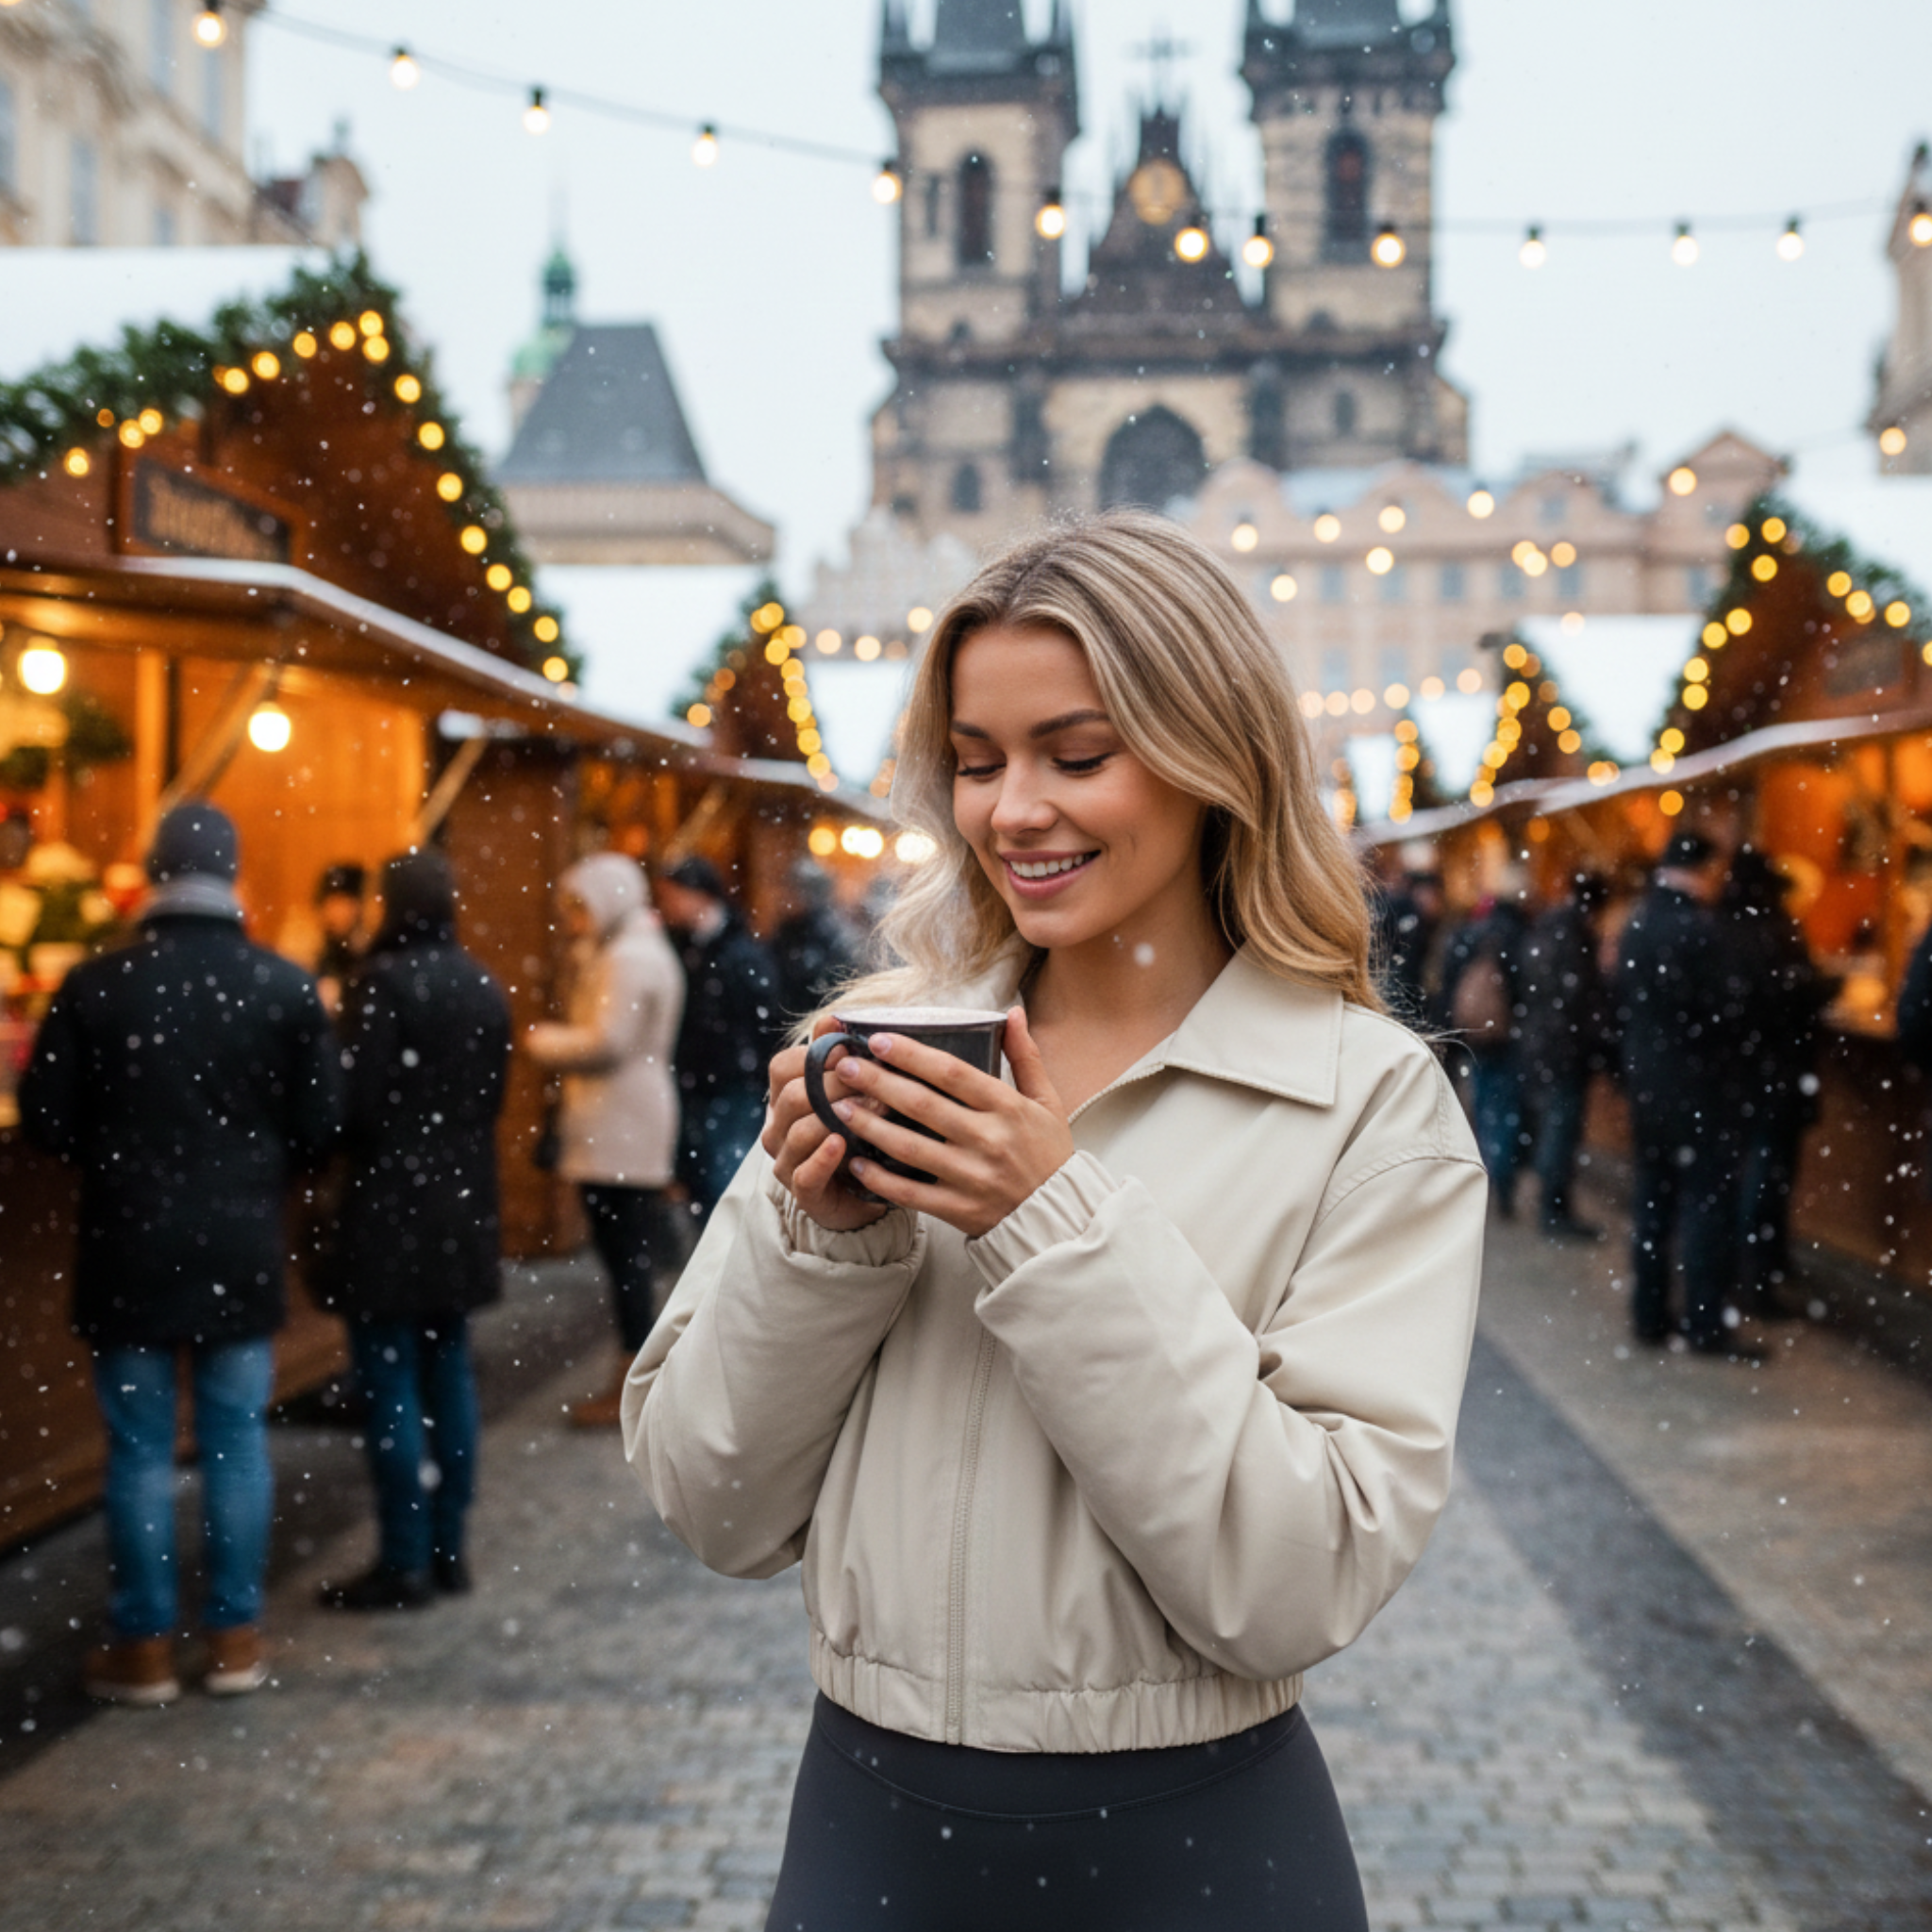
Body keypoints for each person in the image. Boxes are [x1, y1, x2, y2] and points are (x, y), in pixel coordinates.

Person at [624, 512, 1486, 1930]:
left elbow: (1298, 1576)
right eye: (975, 763)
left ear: (1218, 758)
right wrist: (823, 1246)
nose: (1012, 809)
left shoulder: (1362, 1101)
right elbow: (714, 1502)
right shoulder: (880, 1046)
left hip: (1200, 1846)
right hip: (869, 1827)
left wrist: (1051, 1221)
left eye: (1077, 756)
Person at [19, 802, 341, 1703]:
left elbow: (47, 1120)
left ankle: (145, 1644)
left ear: (156, 874)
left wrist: (124, 1156)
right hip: (239, 1242)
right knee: (237, 1439)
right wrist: (251, 1167)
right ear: (232, 875)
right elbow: (323, 1125)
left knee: (140, 1450)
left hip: (128, 1243)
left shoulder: (96, 985)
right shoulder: (282, 986)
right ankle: (236, 1638)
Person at [316, 851, 512, 1610]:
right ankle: (448, 1548)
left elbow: (353, 1106)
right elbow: (489, 1096)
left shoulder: (381, 983)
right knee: (449, 1373)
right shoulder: (480, 983)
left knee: (390, 1377)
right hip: (461, 1203)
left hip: (390, 1203)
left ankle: (403, 1558)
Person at [525, 853, 686, 1427]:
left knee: (625, 1262)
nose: (573, 919)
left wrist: (543, 1042)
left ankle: (632, 1380)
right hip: (624, 1121)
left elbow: (608, 1042)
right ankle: (636, 1374)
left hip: (622, 1123)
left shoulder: (628, 957)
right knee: (628, 1259)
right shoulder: (632, 949)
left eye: (580, 907)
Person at [1614, 829, 1747, 1354]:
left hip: (1648, 1085)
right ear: (1703, 869)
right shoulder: (1699, 930)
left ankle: (1649, 1315)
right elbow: (1722, 1014)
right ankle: (1705, 1322)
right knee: (1705, 1207)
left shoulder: (1638, 922)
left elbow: (1621, 1002)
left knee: (1653, 1201)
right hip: (1699, 1088)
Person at [1723, 847, 1828, 1314]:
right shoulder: (1776, 931)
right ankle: (1758, 1276)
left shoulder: (1723, 927)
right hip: (1776, 1075)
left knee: (1750, 1177)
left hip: (1740, 1078)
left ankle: (1750, 1271)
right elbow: (1794, 993)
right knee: (1767, 1179)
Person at [654, 855, 779, 1221]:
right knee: (702, 1182)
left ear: (699, 896)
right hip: (695, 1082)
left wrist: (752, 1073)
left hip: (731, 1086)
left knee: (726, 1184)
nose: (665, 906)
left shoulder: (739, 953)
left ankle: (730, 1270)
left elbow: (762, 1022)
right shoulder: (681, 945)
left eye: (672, 896)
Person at [1519, 873, 1611, 1240]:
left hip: (1543, 1044)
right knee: (1561, 1130)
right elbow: (1576, 1000)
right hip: (1564, 1050)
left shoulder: (1547, 926)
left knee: (1554, 1127)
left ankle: (1551, 1204)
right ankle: (1554, 1210)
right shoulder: (1573, 935)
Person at [1437, 870, 1533, 1215]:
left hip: (1474, 1035)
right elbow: (1527, 990)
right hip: (1506, 1037)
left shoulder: (1470, 933)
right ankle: (1502, 1181)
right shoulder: (1518, 937)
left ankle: (1482, 1170)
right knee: (1506, 1110)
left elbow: (1449, 981)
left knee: (1483, 1105)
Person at [769, 858, 863, 1024]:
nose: (787, 896)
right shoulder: (787, 930)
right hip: (788, 1021)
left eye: (794, 890)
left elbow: (838, 986)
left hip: (816, 1023)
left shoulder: (831, 934)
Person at [311, 861, 367, 1013]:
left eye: (340, 902)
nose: (330, 912)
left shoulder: (375, 956)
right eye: (326, 903)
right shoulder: (327, 953)